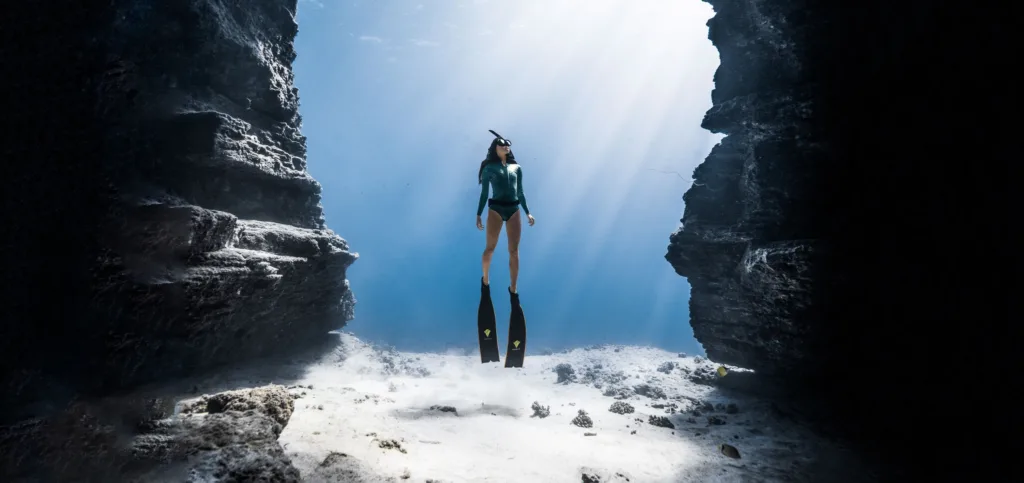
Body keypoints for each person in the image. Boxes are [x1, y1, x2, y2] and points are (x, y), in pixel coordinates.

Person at [476, 132, 535, 295]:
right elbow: (484, 193)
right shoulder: (489, 168)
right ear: (495, 148)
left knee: (514, 251)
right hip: (495, 208)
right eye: (501, 142)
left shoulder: (517, 168)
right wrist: (478, 214)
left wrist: (528, 212)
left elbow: (521, 192)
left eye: (508, 142)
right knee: (490, 248)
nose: (506, 144)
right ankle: (485, 279)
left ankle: (513, 288)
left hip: (514, 209)